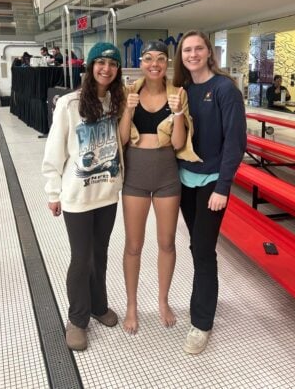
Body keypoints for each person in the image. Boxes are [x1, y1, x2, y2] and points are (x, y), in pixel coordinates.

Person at [42, 42, 125, 352]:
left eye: (112, 64)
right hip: (77, 196)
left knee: (100, 254)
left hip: (107, 194)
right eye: (100, 63)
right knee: (81, 258)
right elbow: (54, 151)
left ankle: (98, 305)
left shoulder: (117, 102)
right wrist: (53, 192)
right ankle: (77, 319)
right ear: (90, 67)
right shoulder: (69, 103)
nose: (106, 68)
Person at [173, 30, 247, 355]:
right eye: (187, 50)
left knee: (204, 251)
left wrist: (223, 187)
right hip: (185, 181)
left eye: (198, 48)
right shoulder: (184, 89)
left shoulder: (223, 89)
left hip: (211, 184)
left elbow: (235, 142)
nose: (192, 54)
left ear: (208, 52)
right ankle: (204, 303)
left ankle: (201, 323)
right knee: (195, 246)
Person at [119, 40, 200, 335]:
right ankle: (131, 305)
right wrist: (128, 111)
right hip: (135, 177)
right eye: (149, 58)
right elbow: (123, 139)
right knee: (133, 245)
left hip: (167, 175)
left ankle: (163, 301)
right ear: (141, 62)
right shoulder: (129, 92)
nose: (155, 64)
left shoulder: (178, 94)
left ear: (167, 64)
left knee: (167, 243)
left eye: (161, 59)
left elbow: (178, 143)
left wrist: (178, 113)